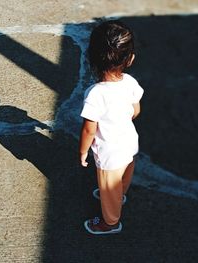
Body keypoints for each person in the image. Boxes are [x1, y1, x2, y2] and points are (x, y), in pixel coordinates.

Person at [79, 20, 144, 234]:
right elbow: (136, 111)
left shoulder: (95, 94)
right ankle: (120, 195)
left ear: (93, 59)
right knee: (124, 175)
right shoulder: (130, 82)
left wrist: (83, 151)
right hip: (129, 143)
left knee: (108, 189)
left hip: (109, 153)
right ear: (130, 59)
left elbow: (89, 129)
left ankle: (110, 222)